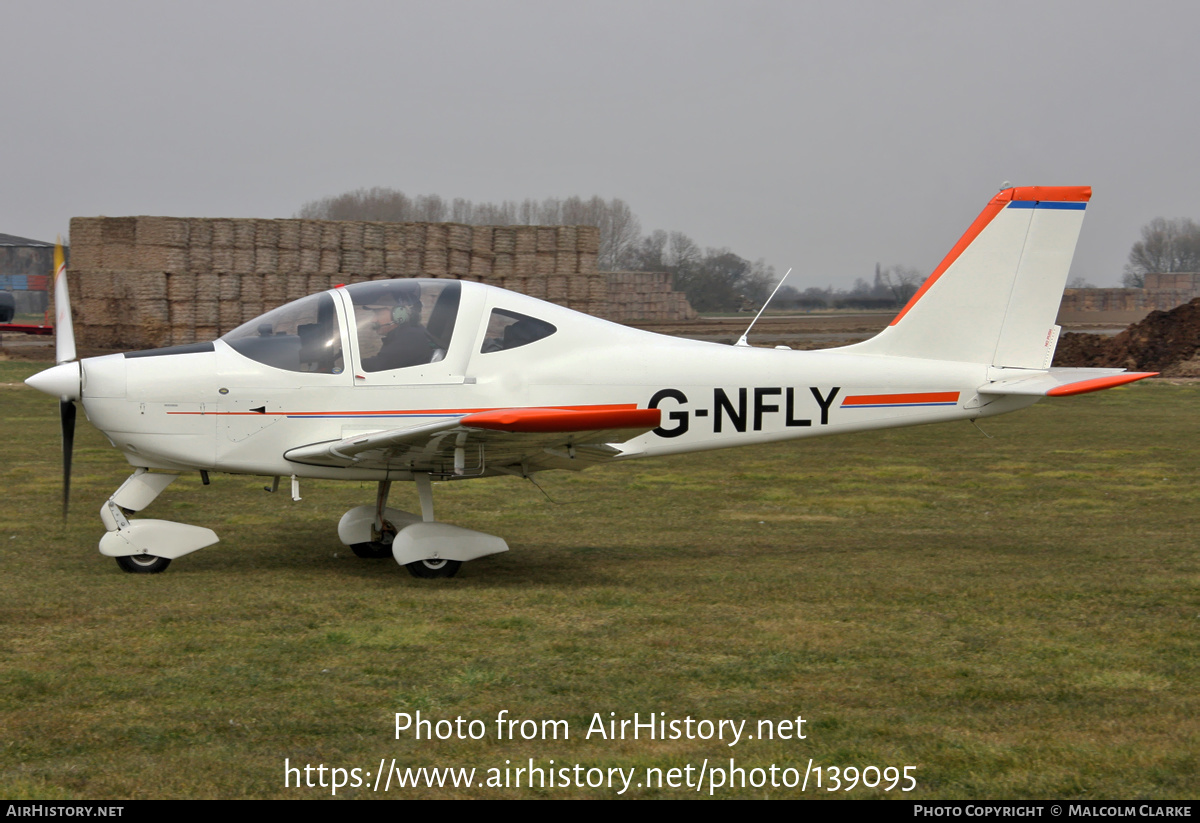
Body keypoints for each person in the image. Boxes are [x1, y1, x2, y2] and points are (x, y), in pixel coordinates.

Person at [361, 286, 433, 371]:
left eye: (377, 314)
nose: (373, 320)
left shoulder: (409, 338)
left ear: (399, 314)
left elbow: (379, 366)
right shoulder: (407, 332)